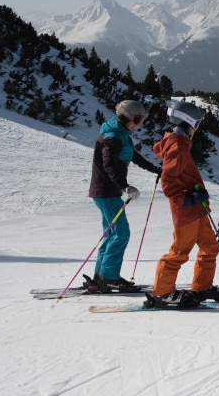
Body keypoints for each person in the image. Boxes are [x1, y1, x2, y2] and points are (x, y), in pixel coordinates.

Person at [145, 100, 219, 308]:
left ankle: (201, 288)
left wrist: (196, 196)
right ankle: (162, 293)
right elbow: (168, 182)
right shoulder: (177, 146)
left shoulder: (181, 143)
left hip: (197, 209)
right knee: (179, 252)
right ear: (188, 122)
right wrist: (187, 198)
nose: (198, 129)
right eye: (198, 124)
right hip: (186, 211)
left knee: (210, 246)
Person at [86, 100, 161, 294]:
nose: (138, 124)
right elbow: (108, 166)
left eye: (141, 120)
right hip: (107, 192)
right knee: (121, 233)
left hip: (106, 192)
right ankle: (109, 278)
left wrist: (155, 169)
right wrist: (125, 186)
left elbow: (133, 156)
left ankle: (101, 276)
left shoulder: (121, 134)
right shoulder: (111, 137)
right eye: (136, 119)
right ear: (125, 117)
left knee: (112, 234)